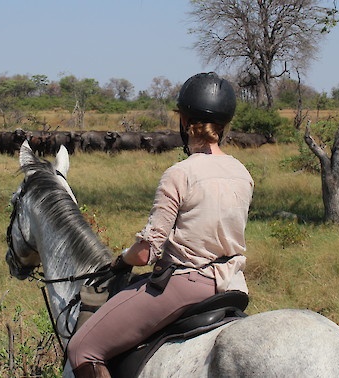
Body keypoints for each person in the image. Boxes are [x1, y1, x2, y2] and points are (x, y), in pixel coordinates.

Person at [66, 72, 254, 378]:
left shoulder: (179, 173)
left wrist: (118, 262)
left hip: (186, 285)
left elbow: (145, 254)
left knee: (82, 349)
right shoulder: (242, 172)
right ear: (224, 125)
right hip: (232, 283)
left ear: (184, 123)